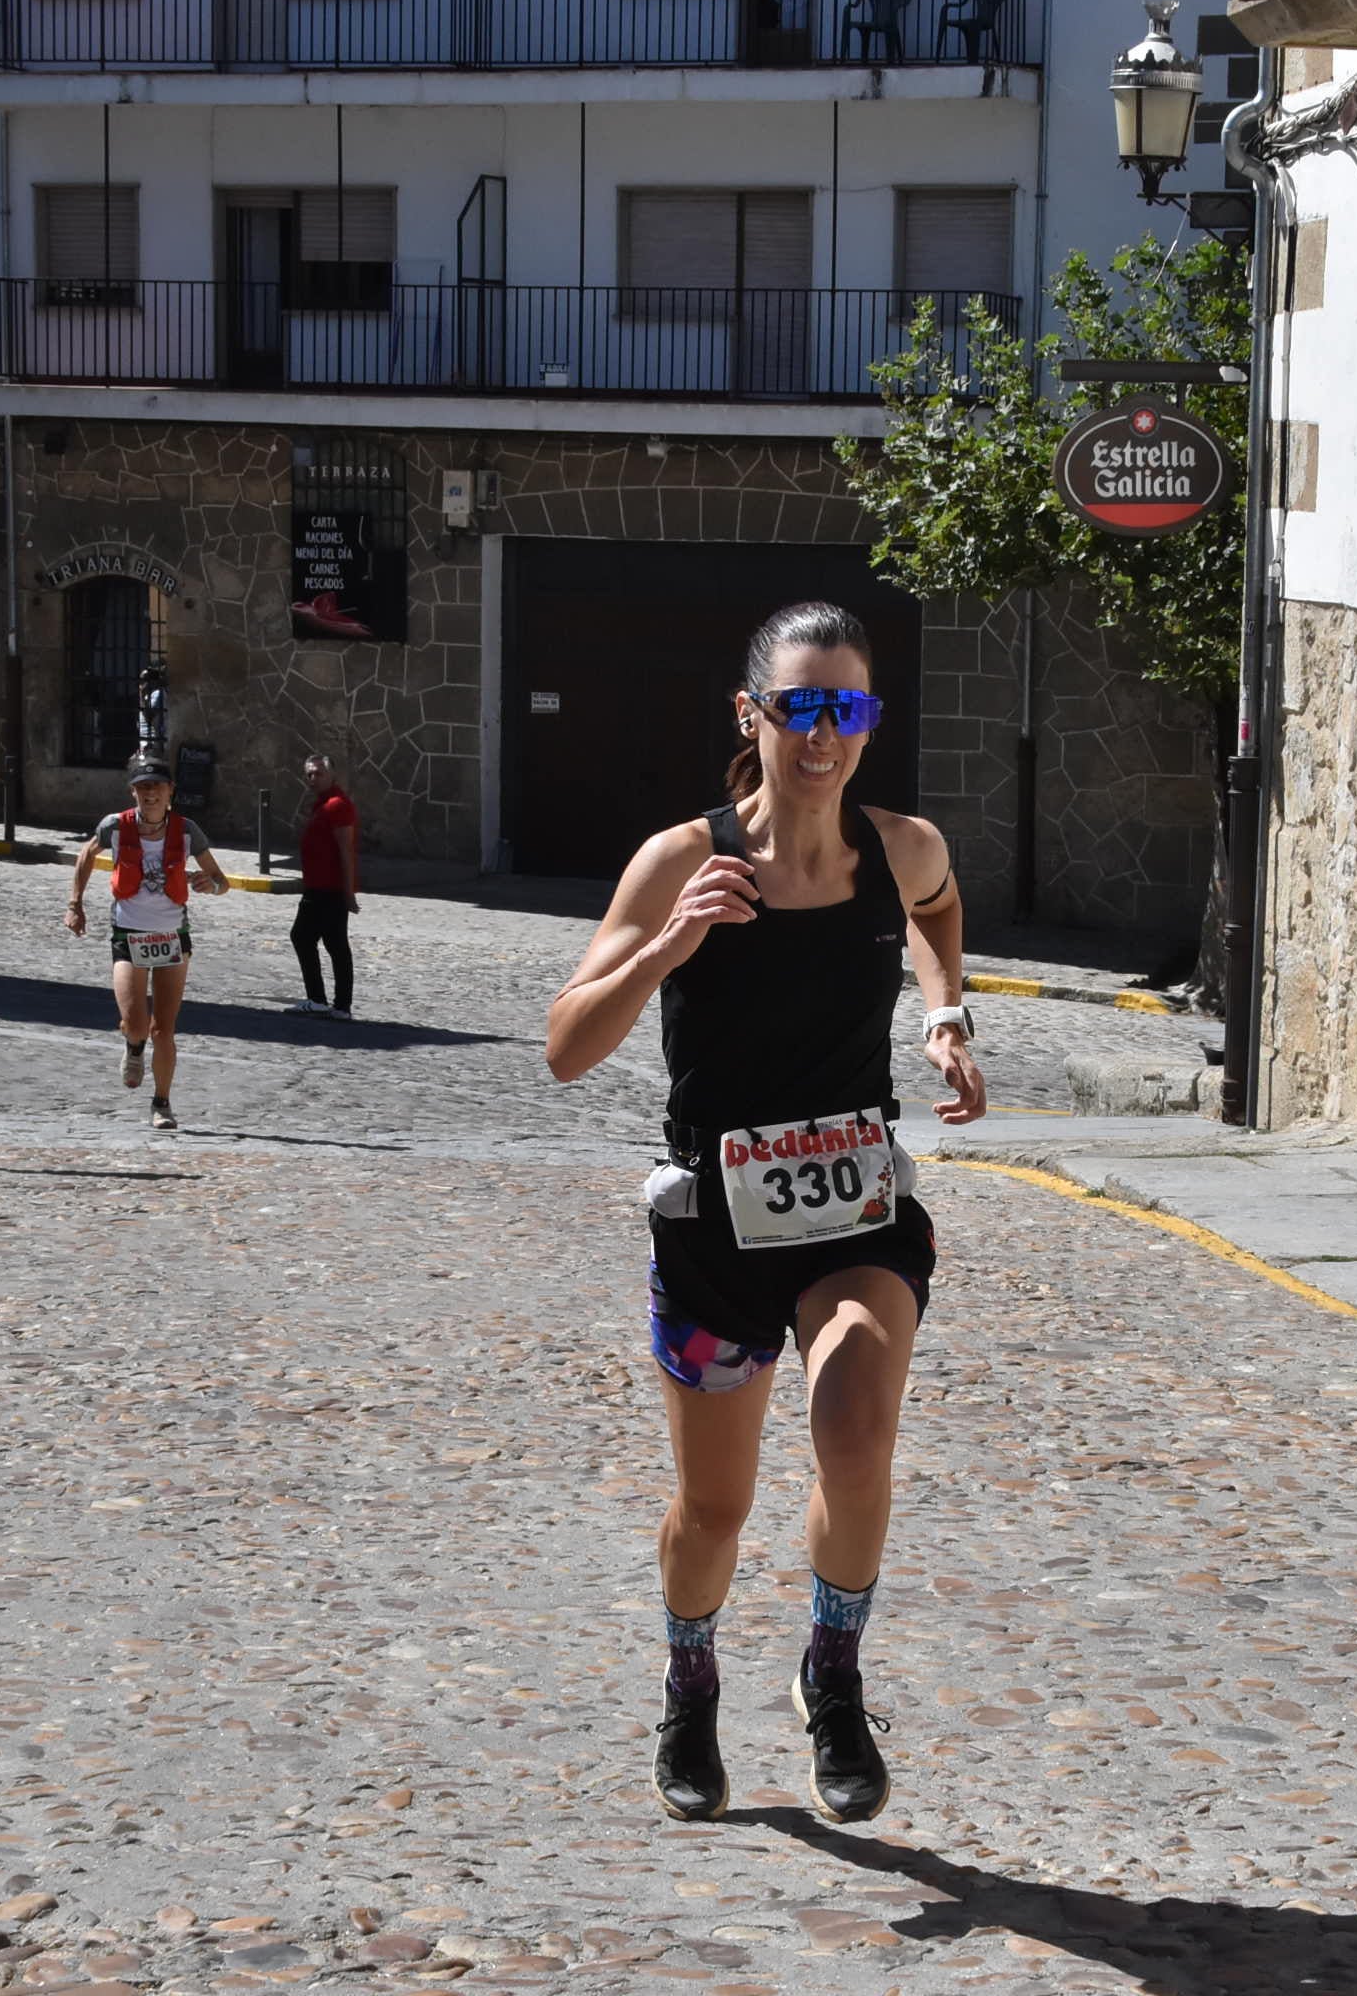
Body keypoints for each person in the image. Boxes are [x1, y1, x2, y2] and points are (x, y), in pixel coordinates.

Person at [544, 601, 987, 1828]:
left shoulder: (896, 848)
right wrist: (668, 945)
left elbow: (941, 911)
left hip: (856, 1205)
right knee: (715, 1510)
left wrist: (945, 1010)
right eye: (802, 704)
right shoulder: (680, 860)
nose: (825, 732)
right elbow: (565, 1049)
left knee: (854, 1428)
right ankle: (690, 1678)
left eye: (850, 707)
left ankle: (832, 1675)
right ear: (754, 714)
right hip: (715, 1226)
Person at [66, 752, 228, 1132]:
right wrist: (75, 904)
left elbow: (222, 881)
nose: (150, 794)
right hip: (129, 935)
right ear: (133, 793)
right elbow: (86, 854)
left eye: (157, 787)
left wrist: (212, 885)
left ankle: (162, 1103)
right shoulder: (116, 827)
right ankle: (133, 1046)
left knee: (165, 1029)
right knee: (136, 1023)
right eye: (143, 788)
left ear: (171, 791)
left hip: (173, 938)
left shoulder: (188, 831)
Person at [286, 754, 359, 1018]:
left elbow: (346, 851)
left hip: (328, 889)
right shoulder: (322, 804)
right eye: (309, 774)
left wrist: (348, 892)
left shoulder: (337, 805)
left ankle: (322, 1000)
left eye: (318, 773)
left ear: (332, 775)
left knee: (304, 936)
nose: (313, 779)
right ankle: (339, 1005)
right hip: (318, 886)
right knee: (333, 942)